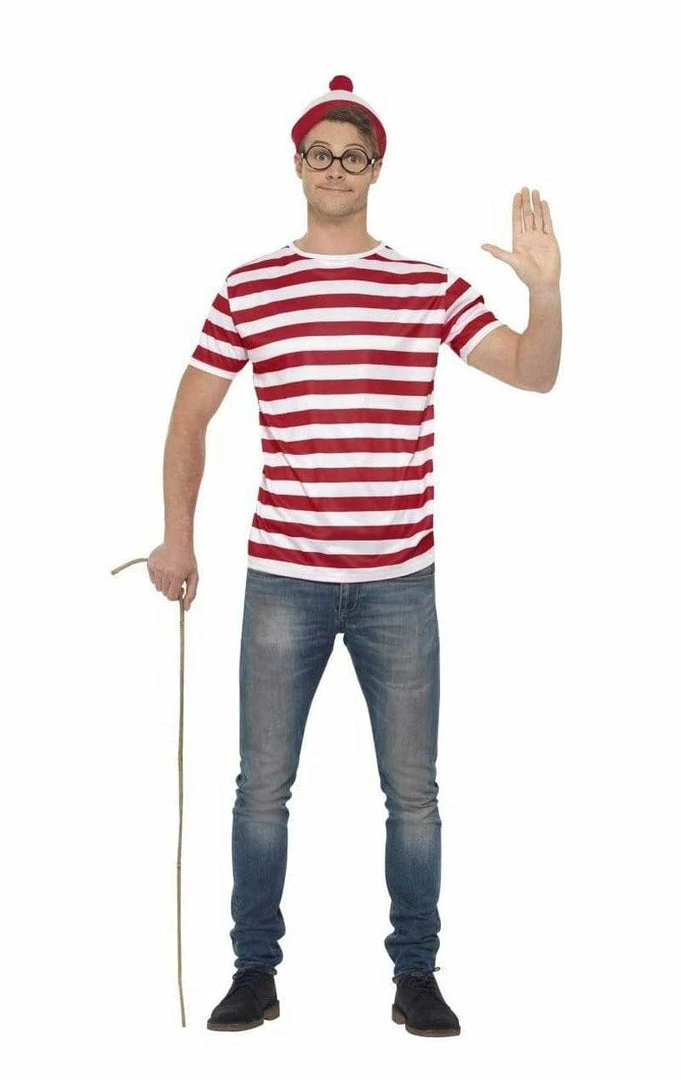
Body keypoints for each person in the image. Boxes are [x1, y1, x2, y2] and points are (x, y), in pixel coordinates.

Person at [147, 74, 562, 1036]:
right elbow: (190, 415)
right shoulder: (248, 287)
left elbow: (532, 374)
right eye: (321, 154)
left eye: (354, 156)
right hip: (282, 578)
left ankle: (415, 975)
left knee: (412, 793)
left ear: (376, 169)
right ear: (298, 165)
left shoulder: (426, 286)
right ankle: (254, 973)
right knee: (261, 788)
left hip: (397, 583)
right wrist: (177, 534)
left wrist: (543, 293)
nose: (336, 168)